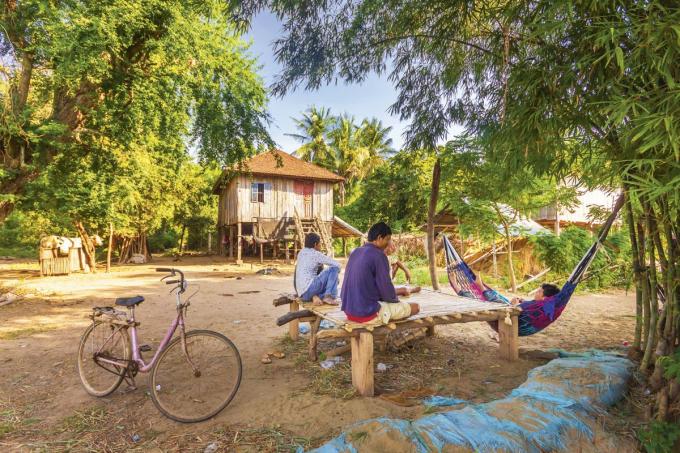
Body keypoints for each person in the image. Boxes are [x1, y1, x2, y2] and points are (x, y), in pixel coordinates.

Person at [341, 222, 420, 324]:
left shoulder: (355, 252)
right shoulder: (379, 255)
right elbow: (387, 293)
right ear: (379, 238)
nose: (388, 243)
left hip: (349, 311)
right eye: (387, 239)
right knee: (415, 307)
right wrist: (396, 301)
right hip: (366, 315)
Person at [295, 233, 341, 306]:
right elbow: (337, 265)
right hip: (309, 288)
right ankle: (328, 296)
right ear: (315, 244)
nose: (321, 245)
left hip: (302, 294)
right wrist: (334, 278)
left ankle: (315, 296)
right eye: (320, 243)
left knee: (332, 283)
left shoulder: (301, 252)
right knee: (334, 269)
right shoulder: (316, 254)